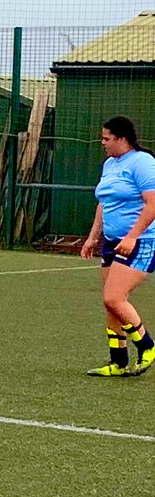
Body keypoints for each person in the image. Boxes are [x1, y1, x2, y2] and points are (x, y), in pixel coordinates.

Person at [80, 115, 155, 377]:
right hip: (112, 243)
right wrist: (93, 237)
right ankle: (118, 362)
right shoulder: (110, 164)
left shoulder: (143, 163)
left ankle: (147, 346)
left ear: (122, 139)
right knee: (111, 305)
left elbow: (152, 205)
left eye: (106, 138)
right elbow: (104, 203)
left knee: (113, 297)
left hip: (141, 241)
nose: (102, 143)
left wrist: (132, 236)